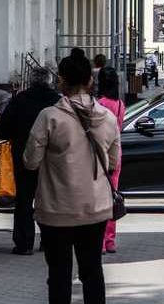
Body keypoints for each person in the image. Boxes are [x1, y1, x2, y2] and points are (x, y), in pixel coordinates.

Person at [23, 48, 120, 304]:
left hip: (57, 210)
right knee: (92, 271)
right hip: (96, 208)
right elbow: (113, 162)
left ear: (61, 81)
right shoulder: (108, 118)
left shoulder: (49, 117)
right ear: (90, 81)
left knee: (59, 274)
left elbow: (30, 162)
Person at [0, 67, 60, 255]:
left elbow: (3, 129)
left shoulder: (20, 100)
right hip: (51, 159)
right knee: (49, 199)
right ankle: (48, 242)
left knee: (24, 200)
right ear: (50, 81)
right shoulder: (57, 102)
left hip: (23, 157)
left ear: (31, 81)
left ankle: (24, 243)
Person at [96, 67, 125, 254]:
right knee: (112, 196)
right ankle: (110, 240)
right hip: (117, 153)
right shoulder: (121, 104)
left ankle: (99, 241)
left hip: (100, 153)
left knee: (99, 200)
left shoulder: (99, 104)